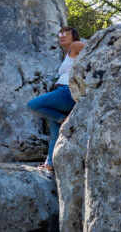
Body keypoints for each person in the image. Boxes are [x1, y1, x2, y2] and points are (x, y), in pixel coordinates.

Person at [27, 26, 85, 173]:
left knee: (33, 105)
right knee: (55, 133)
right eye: (60, 34)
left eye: (66, 33)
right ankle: (49, 164)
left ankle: (63, 118)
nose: (61, 36)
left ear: (74, 36)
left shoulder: (75, 45)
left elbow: (94, 51)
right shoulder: (67, 53)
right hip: (63, 92)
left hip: (67, 91)